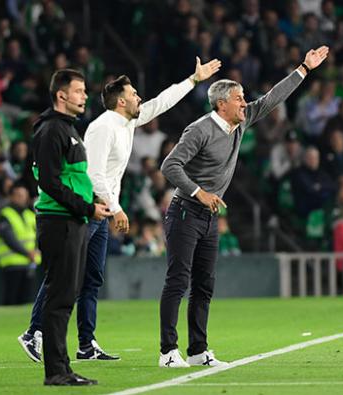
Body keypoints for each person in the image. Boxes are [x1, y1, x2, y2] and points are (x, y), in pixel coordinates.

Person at [20, 56, 221, 362]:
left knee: (91, 279)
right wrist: (116, 208)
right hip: (89, 209)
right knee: (65, 276)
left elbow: (161, 102)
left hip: (101, 212)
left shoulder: (127, 121)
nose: (140, 98)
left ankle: (86, 343)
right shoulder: (103, 128)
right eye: (134, 94)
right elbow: (93, 174)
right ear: (121, 101)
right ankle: (35, 332)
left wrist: (193, 80)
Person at [158, 45, 329, 368]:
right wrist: (199, 193)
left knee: (204, 284)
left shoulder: (241, 122)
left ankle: (197, 351)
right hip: (184, 212)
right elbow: (169, 166)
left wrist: (304, 69)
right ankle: (168, 351)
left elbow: (272, 99)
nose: (245, 102)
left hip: (208, 217)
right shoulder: (200, 129)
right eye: (239, 98)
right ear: (222, 104)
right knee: (178, 281)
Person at [17, 69, 111, 386]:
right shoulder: (51, 130)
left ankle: (63, 367)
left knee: (66, 295)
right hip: (59, 221)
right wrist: (87, 207)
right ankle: (56, 371)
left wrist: (91, 200)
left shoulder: (67, 129)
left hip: (73, 220)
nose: (84, 96)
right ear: (61, 95)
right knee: (60, 296)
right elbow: (49, 181)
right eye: (79, 91)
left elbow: (72, 178)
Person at [0, 184, 40, 305]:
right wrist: (27, 253)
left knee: (26, 301)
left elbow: (38, 235)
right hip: (12, 263)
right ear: (12, 197)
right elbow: (9, 239)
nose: (23, 199)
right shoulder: (5, 214)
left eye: (25, 196)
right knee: (11, 299)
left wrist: (35, 251)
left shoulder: (30, 214)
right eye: (19, 195)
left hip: (30, 263)